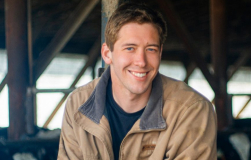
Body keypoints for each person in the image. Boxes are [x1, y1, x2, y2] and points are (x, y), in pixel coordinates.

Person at [58, 2, 217, 160]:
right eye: (130, 48)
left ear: (160, 53)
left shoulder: (191, 109)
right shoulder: (77, 104)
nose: (141, 61)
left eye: (151, 49)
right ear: (107, 53)